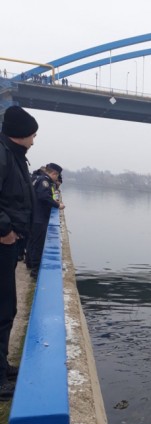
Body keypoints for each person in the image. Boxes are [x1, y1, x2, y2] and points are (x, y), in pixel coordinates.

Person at [0, 105, 38, 400]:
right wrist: (4, 230)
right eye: (32, 134)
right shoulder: (3, 155)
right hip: (4, 242)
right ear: (20, 134)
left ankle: (3, 366)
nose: (34, 140)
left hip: (12, 245)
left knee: (7, 308)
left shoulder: (15, 157)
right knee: (2, 309)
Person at [26, 162, 65, 279]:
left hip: (34, 215)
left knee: (32, 241)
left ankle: (30, 263)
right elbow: (43, 196)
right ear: (54, 173)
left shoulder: (39, 179)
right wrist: (57, 205)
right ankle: (35, 271)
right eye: (57, 176)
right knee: (38, 244)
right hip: (39, 217)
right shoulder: (45, 181)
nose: (57, 178)